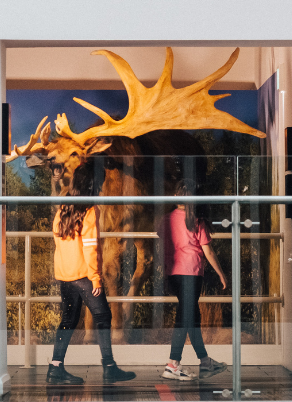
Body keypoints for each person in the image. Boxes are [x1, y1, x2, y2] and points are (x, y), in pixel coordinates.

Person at [46, 165, 136, 385]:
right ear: (94, 185)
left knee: (68, 320)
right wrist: (96, 278)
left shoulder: (63, 208)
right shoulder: (89, 210)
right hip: (84, 275)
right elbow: (90, 247)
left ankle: (55, 368)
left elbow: (59, 240)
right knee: (104, 317)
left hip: (65, 273)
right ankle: (109, 367)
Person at [158, 179, 229, 381]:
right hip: (191, 274)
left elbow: (163, 248)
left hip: (174, 275)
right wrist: (221, 274)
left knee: (192, 319)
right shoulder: (196, 221)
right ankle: (173, 364)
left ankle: (205, 362)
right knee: (184, 319)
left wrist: (164, 275)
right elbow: (208, 251)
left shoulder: (165, 220)